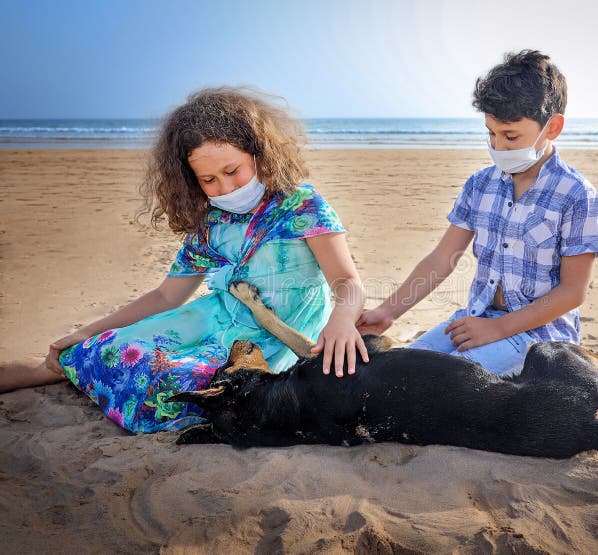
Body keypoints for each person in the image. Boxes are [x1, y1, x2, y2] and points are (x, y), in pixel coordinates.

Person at [0, 87, 367, 433]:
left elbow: (347, 283)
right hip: (214, 317)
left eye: (232, 171)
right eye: (208, 179)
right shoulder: (211, 222)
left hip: (278, 335)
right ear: (190, 180)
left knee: (186, 385)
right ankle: (51, 370)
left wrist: (342, 321)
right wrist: (87, 331)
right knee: (115, 348)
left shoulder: (300, 205)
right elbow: (166, 297)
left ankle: (73, 372)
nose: (225, 188)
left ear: (260, 154)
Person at [357, 50, 598, 375]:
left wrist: (499, 329)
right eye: (490, 133)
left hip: (538, 339)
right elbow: (441, 259)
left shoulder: (576, 194)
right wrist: (388, 312)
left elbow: (573, 292)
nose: (498, 146)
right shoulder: (480, 184)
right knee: (399, 372)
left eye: (511, 136)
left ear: (552, 127)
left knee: (439, 386)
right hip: (475, 319)